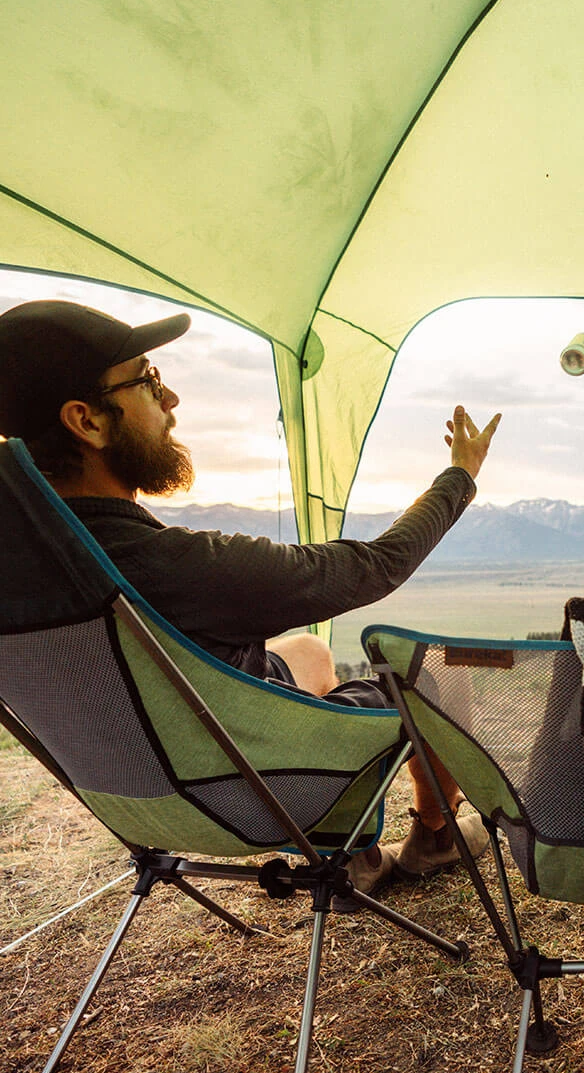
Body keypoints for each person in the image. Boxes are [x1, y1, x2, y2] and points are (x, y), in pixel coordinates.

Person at [0, 298, 501, 898]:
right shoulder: (172, 564)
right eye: (149, 381)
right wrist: (460, 476)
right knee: (445, 670)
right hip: (259, 795)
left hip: (135, 802)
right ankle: (434, 838)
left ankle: (361, 858)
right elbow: (376, 566)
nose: (171, 399)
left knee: (310, 651)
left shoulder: (24, 564)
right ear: (87, 422)